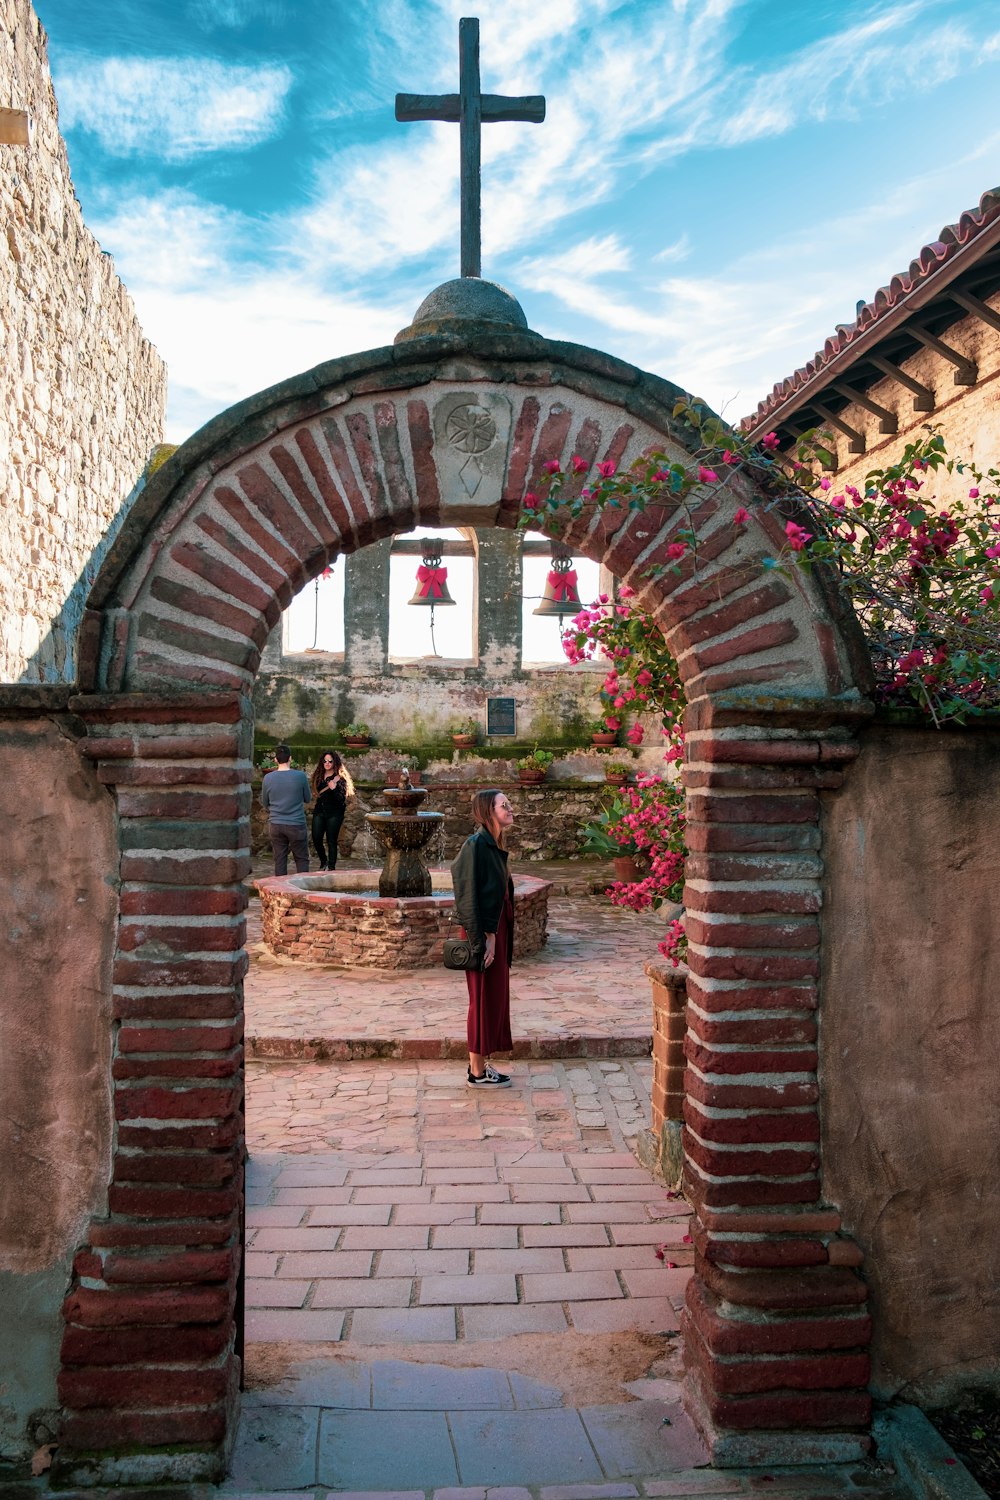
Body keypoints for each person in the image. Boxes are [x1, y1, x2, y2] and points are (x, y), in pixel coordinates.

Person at [450, 789, 516, 1088]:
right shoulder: (475, 846)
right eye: (504, 805)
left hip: (495, 932)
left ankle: (479, 1065)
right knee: (481, 999)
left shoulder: (493, 844)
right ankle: (476, 1073)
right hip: (484, 933)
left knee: (492, 999)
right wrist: (483, 938)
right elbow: (466, 895)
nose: (510, 809)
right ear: (488, 811)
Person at [261, 744, 311, 875]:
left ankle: (280, 892)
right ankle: (302, 891)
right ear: (290, 758)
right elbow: (308, 798)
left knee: (280, 859)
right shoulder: (300, 776)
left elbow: (265, 802)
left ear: (276, 760)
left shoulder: (268, 778)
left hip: (276, 824)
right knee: (301, 859)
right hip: (296, 824)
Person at [311, 750, 354, 871]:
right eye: (325, 761)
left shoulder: (340, 778)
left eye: (330, 761)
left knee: (331, 840)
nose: (327, 763)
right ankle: (323, 861)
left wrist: (334, 788)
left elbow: (341, 799)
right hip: (320, 811)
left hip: (335, 813)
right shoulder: (319, 776)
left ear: (335, 762)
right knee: (316, 838)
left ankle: (331, 867)